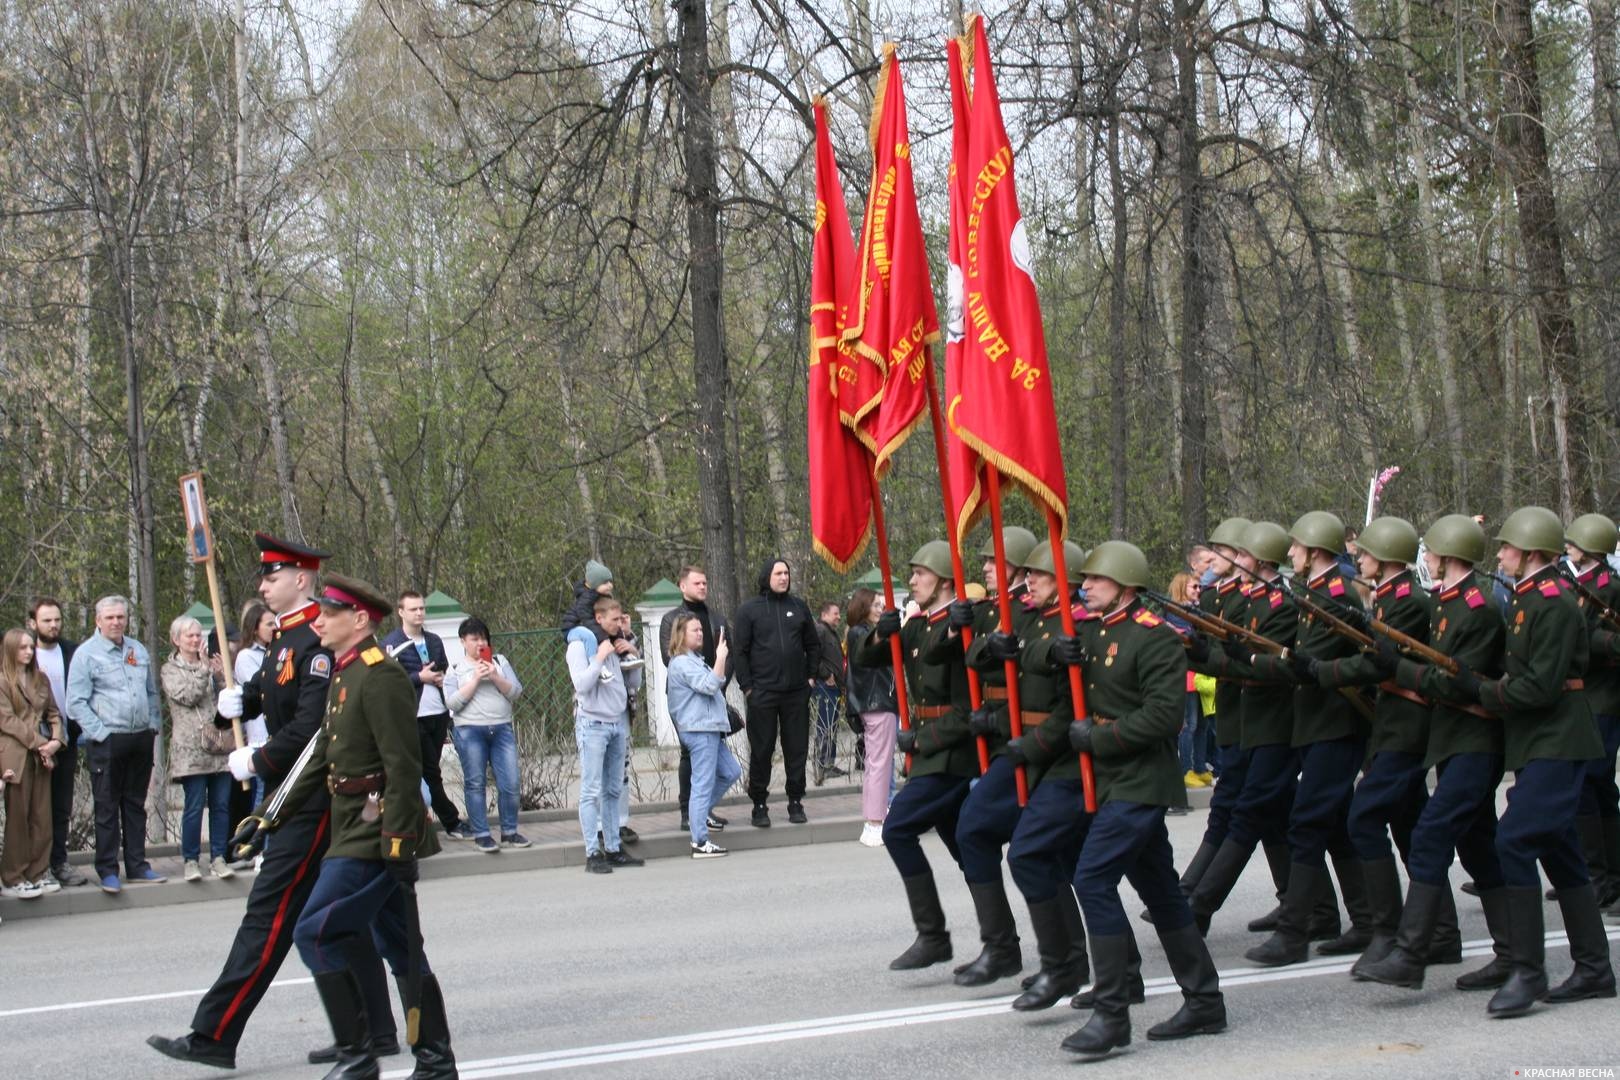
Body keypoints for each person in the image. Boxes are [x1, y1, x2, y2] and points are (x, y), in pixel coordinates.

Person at [148, 533, 399, 1072]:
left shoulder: (314, 641)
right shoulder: (285, 640)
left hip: (307, 800)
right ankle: (372, 1032)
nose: (262, 585)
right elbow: (271, 698)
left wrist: (257, 761)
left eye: (272, 576)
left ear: (300, 581)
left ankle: (213, 1032)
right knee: (333, 918)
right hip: (295, 795)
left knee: (270, 914)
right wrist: (233, 704)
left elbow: (314, 728)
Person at [237, 574, 457, 1079]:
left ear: (358, 620)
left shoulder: (379, 675)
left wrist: (399, 843)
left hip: (376, 831)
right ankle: (436, 1062)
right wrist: (270, 816)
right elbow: (322, 756)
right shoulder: (346, 671)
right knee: (401, 949)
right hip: (352, 824)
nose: (317, 621)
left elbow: (403, 767)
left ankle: (358, 1058)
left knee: (314, 931)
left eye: (327, 614)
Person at [1433, 506, 1614, 1016]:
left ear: (1533, 552)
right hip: (1539, 739)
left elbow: (1540, 685)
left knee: (1513, 840)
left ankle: (1528, 972)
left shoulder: (1553, 602)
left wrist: (1481, 691)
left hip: (1558, 738)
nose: (1502, 554)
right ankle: (1595, 968)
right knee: (1560, 850)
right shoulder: (1528, 596)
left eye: (1509, 547)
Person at [1054, 541, 1226, 1058]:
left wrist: (1098, 739)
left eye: (1095, 582)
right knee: (1162, 890)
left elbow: (1163, 717)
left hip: (1141, 779)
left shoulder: (1156, 639)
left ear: (1125, 585)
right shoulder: (1093, 628)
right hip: (1110, 777)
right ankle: (1204, 1000)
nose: (1085, 588)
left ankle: (1113, 1014)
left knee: (1092, 877)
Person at [1354, 514, 1513, 993]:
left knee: (1430, 836)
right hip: (1453, 741)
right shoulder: (1448, 603)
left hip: (1475, 738)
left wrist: (1402, 671)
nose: (1426, 557)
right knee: (1480, 846)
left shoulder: (1479, 608)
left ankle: (1410, 953)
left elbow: (1452, 679)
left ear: (1445, 555)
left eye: (1432, 552)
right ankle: (1512, 954)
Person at [1308, 516, 1460, 973]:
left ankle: (1388, 930)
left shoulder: (1408, 602)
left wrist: (1327, 671)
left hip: (1407, 725)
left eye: (1366, 553)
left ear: (1387, 556)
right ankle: (1443, 932)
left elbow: (1380, 663)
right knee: (1410, 826)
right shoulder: (1387, 598)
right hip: (1390, 722)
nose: (1358, 558)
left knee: (1365, 817)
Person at [969, 535, 1098, 1009]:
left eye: (1040, 575)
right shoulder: (1034, 618)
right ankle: (1098, 971)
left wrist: (1033, 747)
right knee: (1057, 861)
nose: (1029, 581)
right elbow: (994, 663)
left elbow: (1073, 708)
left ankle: (1068, 966)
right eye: (1029, 573)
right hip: (1042, 756)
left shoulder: (1078, 626)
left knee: (1037, 856)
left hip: (1070, 759)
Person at [1241, 511, 1372, 966]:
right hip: (1315, 723)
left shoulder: (1334, 595)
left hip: (1335, 724)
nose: (1290, 553)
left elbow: (1308, 662)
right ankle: (1363, 919)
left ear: (1315, 552)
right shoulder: (1313, 591)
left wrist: (1254, 663)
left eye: (1296, 548)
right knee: (1333, 825)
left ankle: (1294, 933)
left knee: (1306, 823)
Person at [852, 540, 976, 971]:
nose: (912, 580)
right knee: (969, 851)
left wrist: (923, 740)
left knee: (898, 829)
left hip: (950, 755)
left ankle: (934, 936)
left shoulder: (960, 625)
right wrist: (882, 630)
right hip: (929, 752)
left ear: (942, 579)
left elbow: (968, 710)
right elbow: (868, 658)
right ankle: (1002, 942)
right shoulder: (920, 626)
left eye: (920, 573)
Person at [67, 594, 165, 893]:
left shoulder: (137, 650)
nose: (116, 622)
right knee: (107, 807)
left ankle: (137, 865)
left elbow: (150, 692)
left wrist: (153, 725)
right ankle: (108, 869)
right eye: (109, 617)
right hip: (107, 740)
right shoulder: (87, 655)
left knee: (135, 805)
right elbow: (75, 703)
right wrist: (100, 732)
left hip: (139, 738)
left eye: (120, 617)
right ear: (98, 620)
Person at [734, 558, 820, 827]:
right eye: (778, 573)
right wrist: (748, 687)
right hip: (762, 693)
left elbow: (813, 645)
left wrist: (810, 677)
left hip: (796, 692)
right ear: (766, 577)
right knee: (762, 750)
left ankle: (795, 801)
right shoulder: (750, 610)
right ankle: (759, 804)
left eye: (786, 573)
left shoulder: (798, 607)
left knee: (797, 749)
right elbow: (740, 651)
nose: (783, 577)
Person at [1563, 513, 1620, 906]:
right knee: (1587, 786)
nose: (1568, 546)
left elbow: (1613, 642)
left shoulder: (1609, 587)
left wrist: (1584, 639)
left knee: (1595, 782)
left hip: (1604, 695)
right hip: (1586, 696)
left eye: (1573, 542)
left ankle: (1606, 877)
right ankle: (1591, 872)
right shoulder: (1580, 584)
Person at [565, 594, 645, 873]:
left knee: (613, 789)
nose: (619, 625)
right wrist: (599, 658)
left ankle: (613, 848)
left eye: (621, 619)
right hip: (593, 726)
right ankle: (592, 854)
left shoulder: (615, 644)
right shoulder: (581, 645)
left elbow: (632, 683)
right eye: (614, 620)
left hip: (616, 724)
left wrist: (632, 654)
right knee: (591, 791)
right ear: (599, 619)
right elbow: (582, 685)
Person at [383, 591, 467, 841]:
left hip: (438, 713)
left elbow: (442, 665)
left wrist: (439, 677)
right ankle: (449, 822)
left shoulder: (433, 640)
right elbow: (389, 681)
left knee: (431, 769)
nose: (419, 613)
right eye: (413, 609)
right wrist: (419, 677)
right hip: (412, 716)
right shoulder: (392, 643)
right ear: (401, 612)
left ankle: (430, 820)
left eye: (421, 609)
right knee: (427, 772)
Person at [443, 616, 529, 852]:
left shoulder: (500, 662)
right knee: (476, 783)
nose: (480, 643)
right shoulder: (455, 669)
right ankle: (482, 834)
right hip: (470, 731)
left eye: (483, 638)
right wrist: (475, 680)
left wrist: (494, 676)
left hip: (501, 728)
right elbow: (452, 702)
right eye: (474, 639)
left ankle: (510, 832)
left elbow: (515, 692)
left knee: (510, 782)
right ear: (463, 641)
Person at [658, 566, 730, 836]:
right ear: (682, 586)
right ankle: (690, 814)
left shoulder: (716, 617)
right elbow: (670, 657)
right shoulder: (671, 619)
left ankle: (701, 812)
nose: (703, 586)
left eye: (705, 582)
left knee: (724, 766)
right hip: (691, 701)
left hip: (713, 695)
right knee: (693, 757)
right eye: (697, 582)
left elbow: (727, 654)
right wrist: (709, 680)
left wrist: (718, 684)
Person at [162, 614, 235, 883]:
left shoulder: (212, 666)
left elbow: (229, 698)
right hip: (191, 750)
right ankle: (191, 860)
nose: (195, 640)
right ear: (176, 640)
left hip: (220, 746)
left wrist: (220, 676)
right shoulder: (170, 670)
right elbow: (188, 695)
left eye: (197, 635)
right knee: (193, 806)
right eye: (189, 636)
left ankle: (219, 856)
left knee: (221, 804)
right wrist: (204, 671)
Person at [666, 613, 739, 858]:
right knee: (702, 783)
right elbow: (710, 685)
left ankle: (701, 815)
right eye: (694, 630)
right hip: (699, 730)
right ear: (681, 635)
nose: (700, 633)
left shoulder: (694, 660)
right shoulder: (683, 663)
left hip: (709, 728)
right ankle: (699, 841)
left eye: (700, 629)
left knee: (731, 772)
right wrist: (720, 658)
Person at [0, 628, 64, 900]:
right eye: (22, 647)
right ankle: (13, 876)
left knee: (42, 816)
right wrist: (41, 742)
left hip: (42, 754)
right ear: (11, 649)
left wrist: (56, 741)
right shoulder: (3, 681)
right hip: (16, 754)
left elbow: (54, 713)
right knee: (18, 818)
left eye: (30, 647)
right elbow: (7, 721)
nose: (28, 652)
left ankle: (38, 871)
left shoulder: (41, 679)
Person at [28, 597, 84, 887]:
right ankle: (35, 867)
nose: (53, 625)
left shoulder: (72, 652)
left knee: (61, 806)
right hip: (30, 745)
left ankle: (59, 862)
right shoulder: (24, 654)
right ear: (32, 623)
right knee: (36, 809)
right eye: (47, 620)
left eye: (57, 620)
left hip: (65, 741)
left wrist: (66, 735)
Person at [844, 588, 897, 846]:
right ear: (863, 607)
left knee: (875, 764)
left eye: (882, 604)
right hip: (878, 703)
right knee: (879, 765)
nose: (881, 609)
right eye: (876, 605)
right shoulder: (861, 633)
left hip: (873, 703)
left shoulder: (857, 633)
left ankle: (875, 817)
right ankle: (875, 822)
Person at [1167, 572, 1210, 789]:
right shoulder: (1176, 612)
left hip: (1199, 677)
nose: (1197, 591)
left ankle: (1200, 767)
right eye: (1194, 587)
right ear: (1181, 588)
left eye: (1199, 587)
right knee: (1188, 725)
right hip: (1184, 677)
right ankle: (1186, 770)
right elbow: (1188, 637)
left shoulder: (1194, 610)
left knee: (1201, 724)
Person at [811, 600, 847, 784]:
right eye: (835, 613)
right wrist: (826, 675)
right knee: (825, 725)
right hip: (825, 686)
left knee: (832, 725)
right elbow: (812, 655)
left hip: (834, 687)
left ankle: (829, 763)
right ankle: (822, 764)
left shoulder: (829, 632)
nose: (839, 617)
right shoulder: (820, 631)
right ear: (825, 614)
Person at [560, 559, 615, 633]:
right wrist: (603, 639)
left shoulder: (604, 597)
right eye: (605, 583)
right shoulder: (587, 598)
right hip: (573, 628)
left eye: (610, 581)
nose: (610, 585)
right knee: (589, 639)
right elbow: (587, 619)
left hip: (588, 628)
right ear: (594, 584)